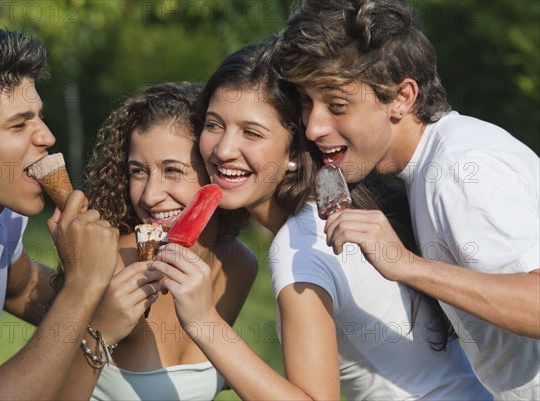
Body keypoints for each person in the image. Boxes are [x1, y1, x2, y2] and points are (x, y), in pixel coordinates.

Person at [150, 39, 491, 400]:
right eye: (214, 124)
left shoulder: (299, 246)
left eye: (251, 132)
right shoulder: (336, 215)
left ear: (296, 151)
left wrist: (204, 322)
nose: (223, 150)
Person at [276, 0, 540, 399]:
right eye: (307, 103)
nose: (313, 127)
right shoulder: (433, 165)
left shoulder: (458, 170)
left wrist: (408, 266)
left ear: (402, 96)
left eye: (337, 105)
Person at [0, 20, 161, 400]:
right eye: (19, 124)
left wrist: (115, 289)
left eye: (38, 116)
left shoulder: (1, 223)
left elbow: (23, 287)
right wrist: (83, 287)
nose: (46, 136)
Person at [78, 82, 257, 400]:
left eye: (172, 170)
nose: (149, 195)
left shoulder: (238, 266)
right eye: (137, 172)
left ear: (216, 171)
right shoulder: (113, 265)